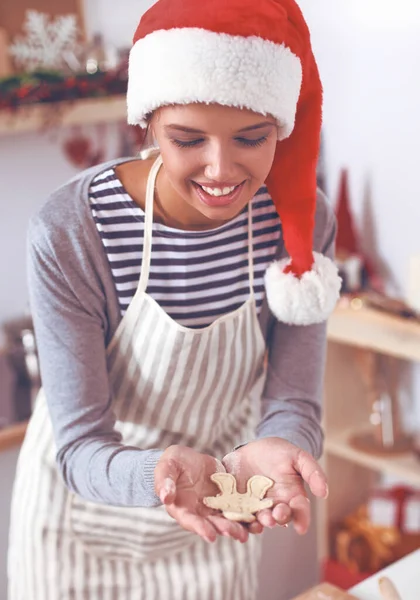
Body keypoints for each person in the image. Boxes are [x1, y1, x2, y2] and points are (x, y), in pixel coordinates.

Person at [8, 0, 342, 597]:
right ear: (149, 123)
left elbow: (293, 397)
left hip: (216, 510)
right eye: (187, 139)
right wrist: (157, 473)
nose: (221, 170)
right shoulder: (72, 231)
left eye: (251, 138)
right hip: (79, 526)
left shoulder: (298, 222)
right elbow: (81, 444)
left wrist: (280, 449)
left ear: (280, 126)